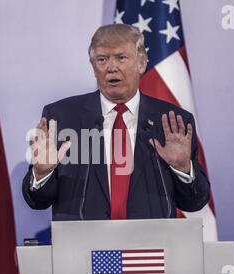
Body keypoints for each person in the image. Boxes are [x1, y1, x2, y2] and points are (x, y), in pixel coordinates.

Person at [22, 24, 210, 221]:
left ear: (142, 63)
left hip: (149, 247)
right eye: (102, 60)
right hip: (82, 247)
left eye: (121, 58)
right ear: (94, 67)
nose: (112, 68)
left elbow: (195, 202)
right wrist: (42, 173)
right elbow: (37, 201)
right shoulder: (62, 117)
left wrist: (182, 168)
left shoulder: (172, 122)